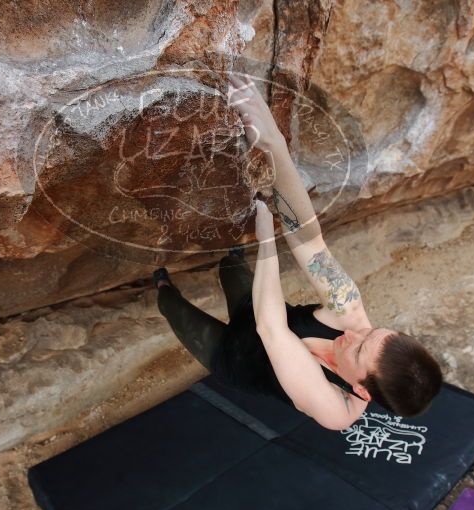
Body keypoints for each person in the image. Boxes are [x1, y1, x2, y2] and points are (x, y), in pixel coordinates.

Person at [154, 73, 442, 430]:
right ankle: (228, 258)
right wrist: (273, 142)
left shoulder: (335, 408)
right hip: (254, 313)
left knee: (172, 307)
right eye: (373, 332)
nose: (355, 333)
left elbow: (272, 329)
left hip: (234, 358)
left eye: (358, 349)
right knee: (232, 266)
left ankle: (162, 286)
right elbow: (308, 239)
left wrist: (267, 243)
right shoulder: (349, 313)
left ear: (361, 390)